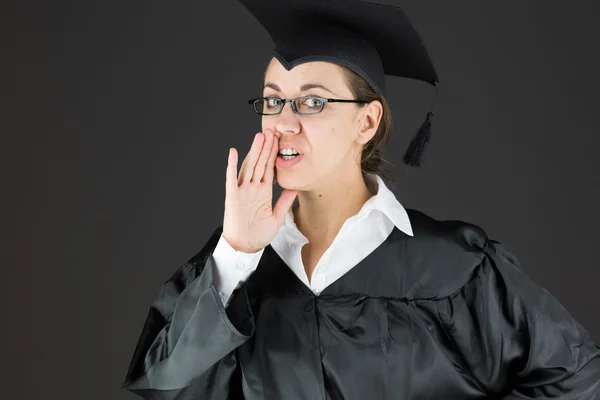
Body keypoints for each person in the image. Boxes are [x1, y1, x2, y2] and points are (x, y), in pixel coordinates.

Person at [121, 0, 600, 398]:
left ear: (366, 122)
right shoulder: (233, 269)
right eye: (272, 100)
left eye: (312, 102)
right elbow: (163, 388)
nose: (284, 122)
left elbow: (577, 377)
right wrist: (236, 253)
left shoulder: (455, 269)